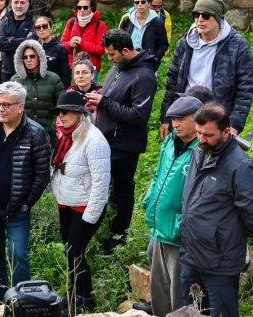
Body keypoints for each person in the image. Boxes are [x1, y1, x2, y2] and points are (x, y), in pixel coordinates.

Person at [179, 103, 253, 317]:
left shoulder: (240, 166)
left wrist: (228, 236)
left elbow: (252, 214)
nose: (200, 139)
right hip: (191, 253)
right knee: (191, 311)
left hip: (219, 260)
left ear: (226, 131)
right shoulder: (199, 152)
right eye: (198, 132)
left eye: (208, 135)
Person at [0, 81, 51, 302]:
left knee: (18, 255)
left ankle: (22, 300)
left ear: (20, 107)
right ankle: (0, 297)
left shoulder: (35, 132)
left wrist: (27, 202)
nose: (1, 109)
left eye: (6, 105)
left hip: (17, 209)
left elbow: (42, 174)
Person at [89, 29, 158, 255]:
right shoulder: (119, 67)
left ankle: (118, 238)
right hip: (106, 139)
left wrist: (104, 102)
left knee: (121, 191)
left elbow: (139, 116)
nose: (109, 60)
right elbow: (110, 96)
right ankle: (105, 230)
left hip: (124, 145)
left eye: (111, 55)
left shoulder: (144, 76)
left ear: (126, 51)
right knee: (105, 188)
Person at [160, 0, 253, 139]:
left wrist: (234, 125)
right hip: (185, 115)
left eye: (205, 15)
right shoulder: (185, 43)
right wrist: (166, 117)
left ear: (218, 18)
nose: (200, 19)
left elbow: (246, 88)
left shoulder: (237, 45)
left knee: (209, 160)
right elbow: (172, 82)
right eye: (196, 14)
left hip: (215, 119)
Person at [140, 96, 203, 317]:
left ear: (197, 119)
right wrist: (149, 200)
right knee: (160, 292)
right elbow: (158, 174)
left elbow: (202, 198)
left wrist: (180, 224)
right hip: (159, 227)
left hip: (179, 233)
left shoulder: (203, 150)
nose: (175, 124)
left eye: (181, 119)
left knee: (179, 296)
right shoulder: (170, 141)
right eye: (173, 119)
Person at [50, 91, 111, 315]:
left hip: (84, 207)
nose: (60, 116)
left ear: (78, 113)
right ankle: (73, 295)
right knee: (70, 252)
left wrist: (91, 215)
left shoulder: (94, 140)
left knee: (74, 252)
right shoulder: (68, 136)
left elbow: (101, 181)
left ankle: (84, 299)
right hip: (67, 204)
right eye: (58, 112)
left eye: (65, 112)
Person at [11, 40, 65, 146]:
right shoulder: (15, 80)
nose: (28, 60)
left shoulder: (53, 79)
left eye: (32, 56)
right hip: (23, 135)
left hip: (48, 136)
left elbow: (62, 107)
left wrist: (54, 126)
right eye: (25, 57)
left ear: (40, 57)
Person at [60, 0, 108, 78]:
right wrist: (70, 44)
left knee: (89, 91)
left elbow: (101, 49)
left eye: (85, 7)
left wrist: (82, 43)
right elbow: (61, 45)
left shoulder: (100, 25)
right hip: (72, 67)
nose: (82, 10)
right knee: (71, 91)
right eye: (79, 7)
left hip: (91, 68)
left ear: (91, 7)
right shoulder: (71, 22)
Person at [118, 0, 169, 67]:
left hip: (147, 66)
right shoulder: (127, 20)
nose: (140, 4)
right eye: (137, 2)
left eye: (143, 2)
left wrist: (154, 59)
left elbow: (163, 45)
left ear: (149, 4)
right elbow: (118, 40)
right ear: (134, 5)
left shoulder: (157, 23)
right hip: (127, 63)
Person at [0, 0, 34, 81]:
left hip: (27, 71)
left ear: (28, 5)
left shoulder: (33, 22)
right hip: (7, 71)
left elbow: (31, 43)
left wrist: (10, 40)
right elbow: (0, 44)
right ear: (12, 4)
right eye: (16, 2)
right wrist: (23, 40)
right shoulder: (4, 21)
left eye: (22, 2)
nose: (19, 5)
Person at [33, 15, 71, 87]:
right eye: (38, 27)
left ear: (51, 28)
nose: (41, 29)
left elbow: (66, 75)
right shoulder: (33, 49)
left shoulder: (60, 48)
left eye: (44, 26)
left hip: (55, 88)